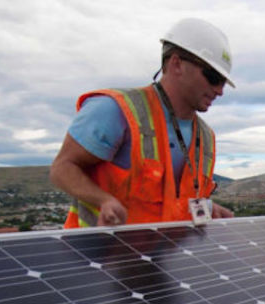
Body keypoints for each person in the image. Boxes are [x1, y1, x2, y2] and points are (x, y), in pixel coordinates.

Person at [50, 18, 236, 228]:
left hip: (160, 258)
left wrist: (206, 208)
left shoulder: (205, 138)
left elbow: (172, 201)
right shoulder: (115, 110)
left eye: (223, 82)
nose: (219, 90)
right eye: (213, 77)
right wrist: (103, 200)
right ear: (176, 64)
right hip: (97, 255)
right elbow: (62, 167)